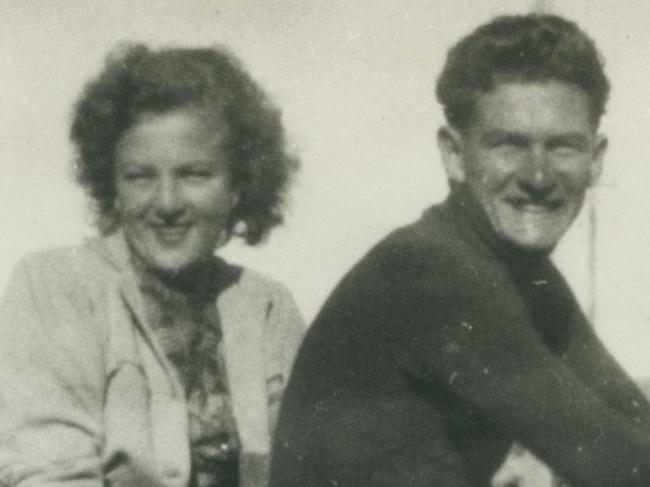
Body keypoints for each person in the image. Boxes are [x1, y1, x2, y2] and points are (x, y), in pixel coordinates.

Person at [270, 13, 650, 487]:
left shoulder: (519, 272)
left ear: (596, 161)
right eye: (509, 145)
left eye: (563, 148)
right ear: (454, 155)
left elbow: (635, 424)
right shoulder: (430, 271)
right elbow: (617, 466)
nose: (537, 176)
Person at [0, 44, 305, 487]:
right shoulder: (55, 288)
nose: (166, 203)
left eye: (194, 174)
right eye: (140, 176)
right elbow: (48, 469)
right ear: (113, 187)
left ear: (237, 186)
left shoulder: (268, 308)